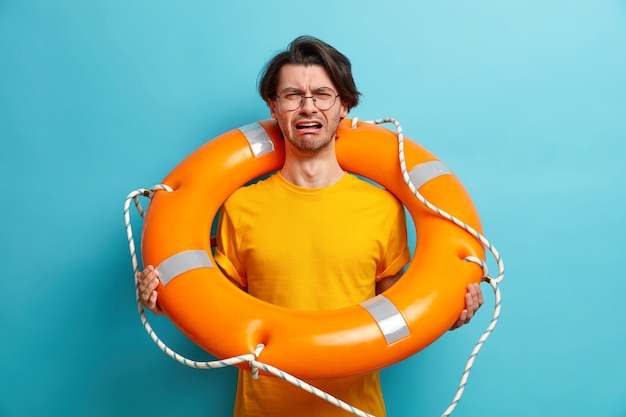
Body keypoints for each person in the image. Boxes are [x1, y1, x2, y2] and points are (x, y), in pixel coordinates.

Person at [137, 36, 484, 417]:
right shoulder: (240, 206)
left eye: (322, 94)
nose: (308, 107)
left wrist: (447, 309)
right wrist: (165, 301)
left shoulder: (383, 208)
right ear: (274, 106)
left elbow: (403, 305)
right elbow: (215, 307)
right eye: (291, 95)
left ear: (344, 106)